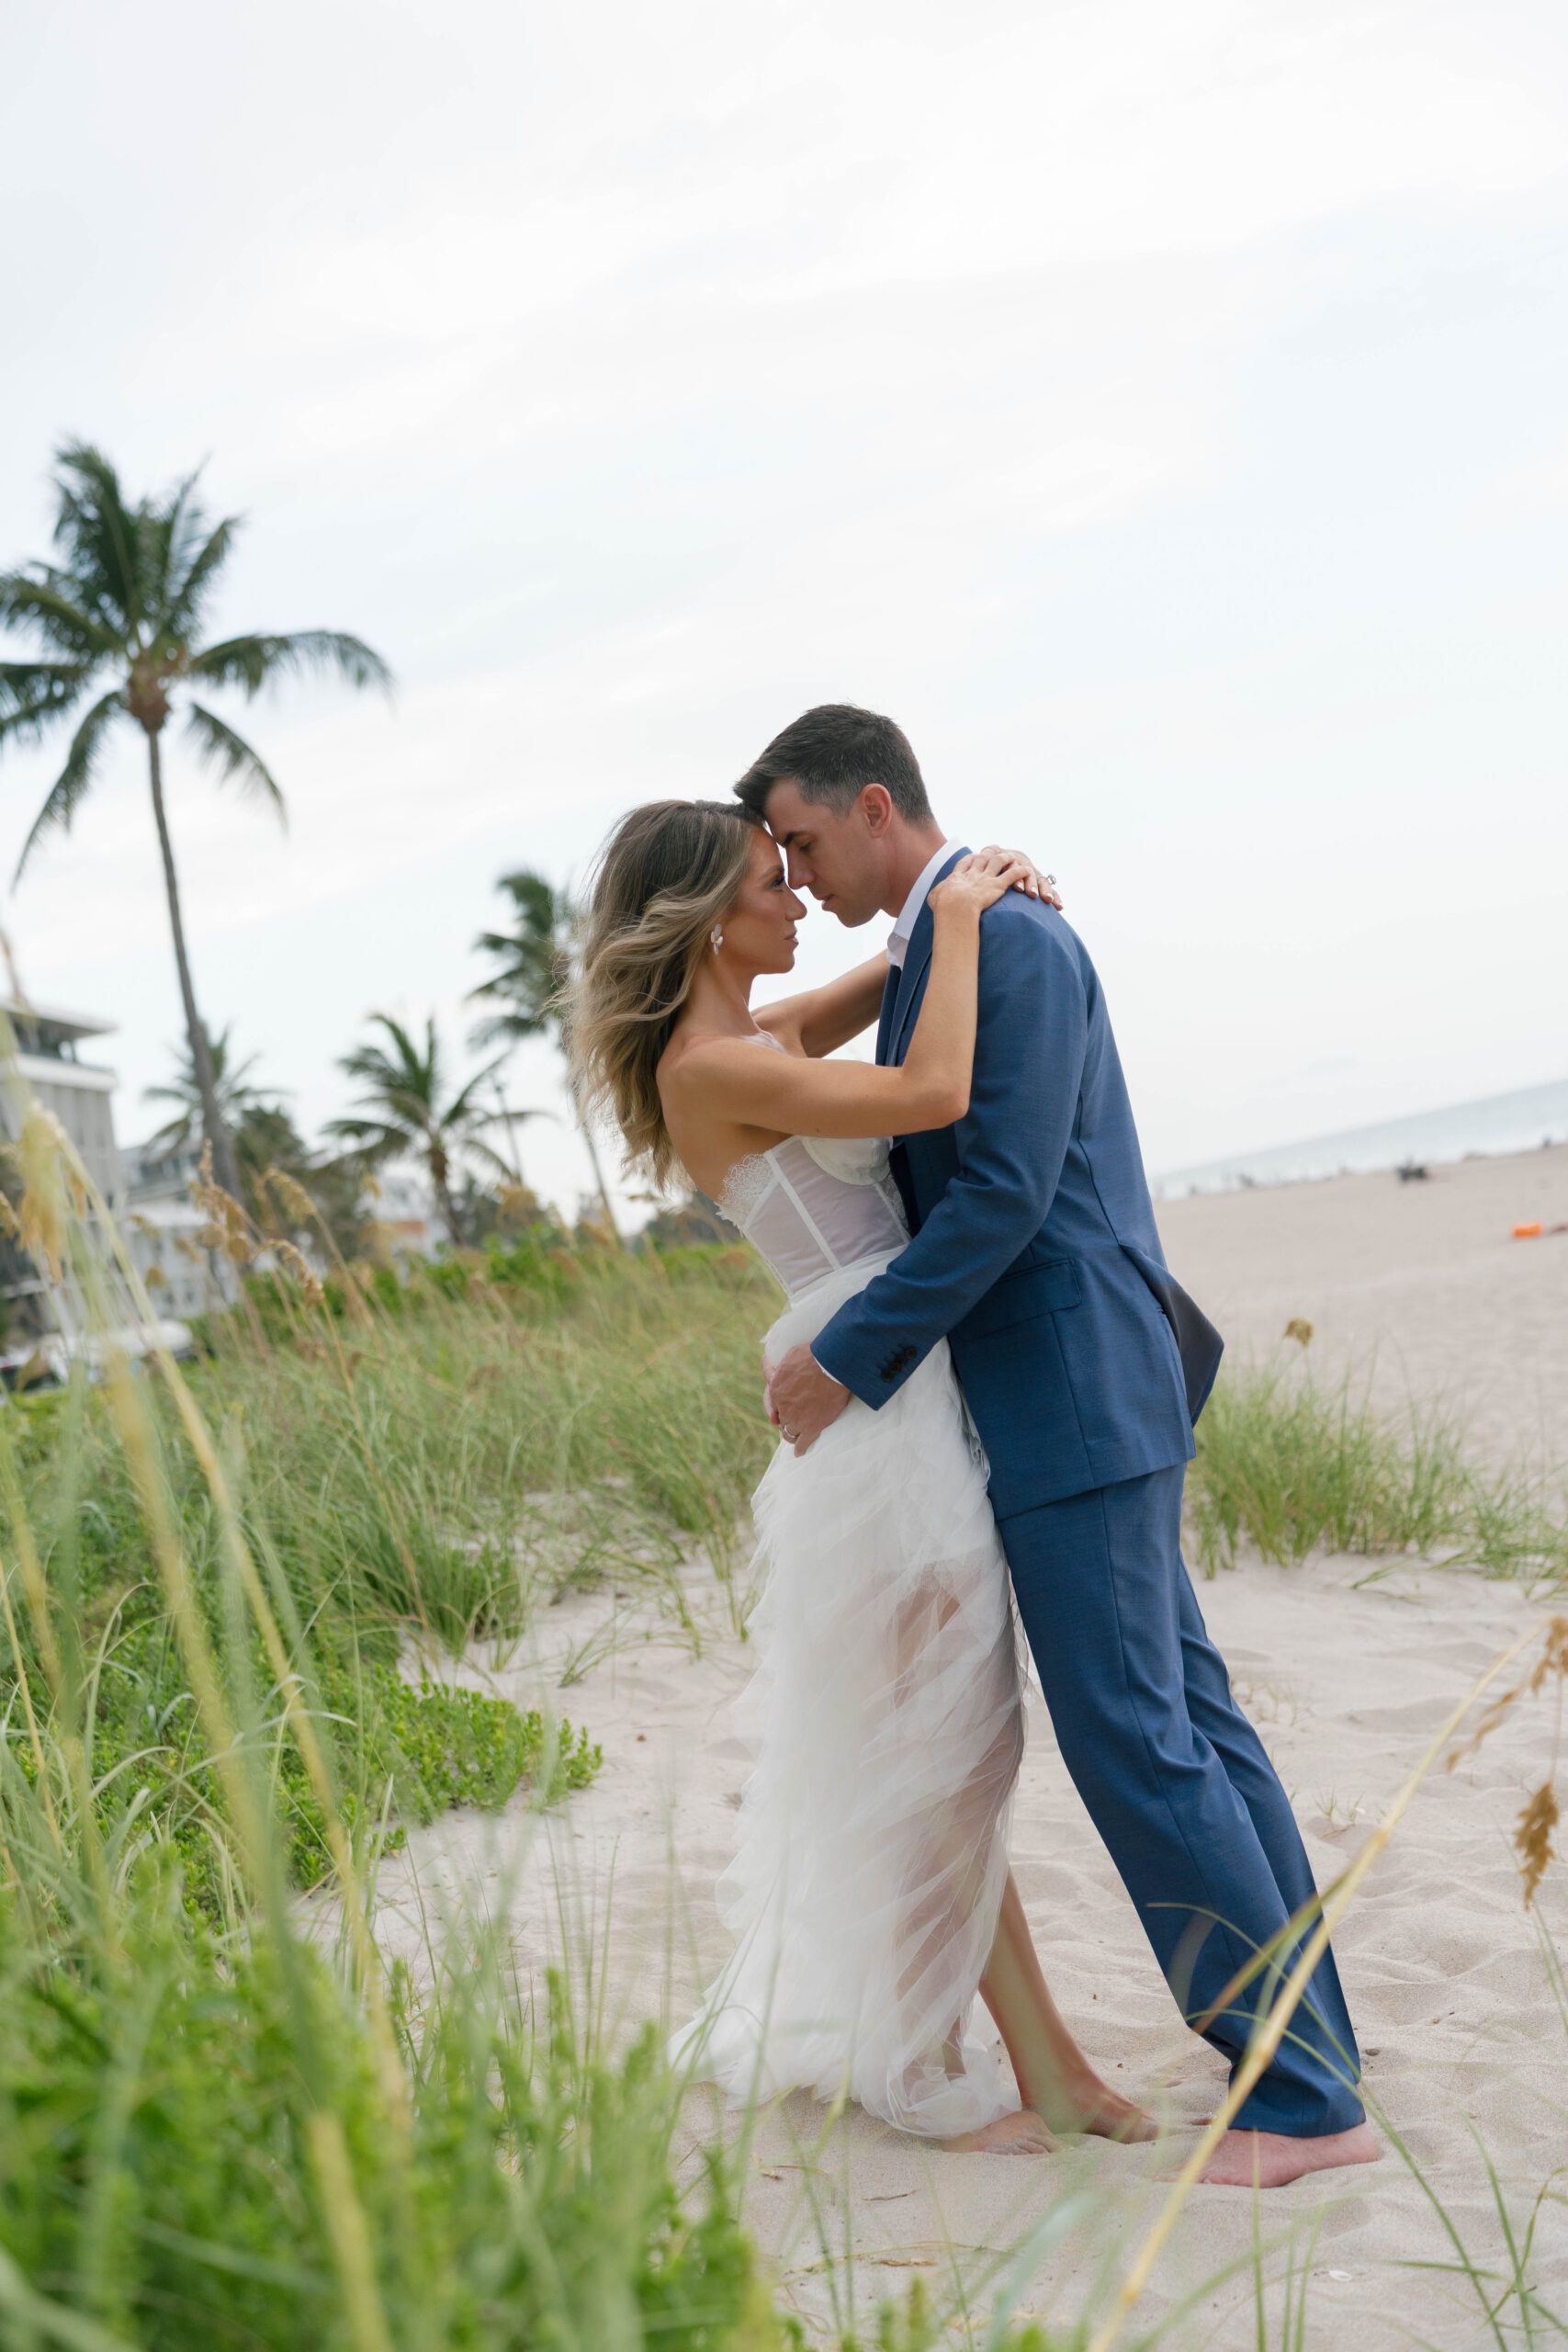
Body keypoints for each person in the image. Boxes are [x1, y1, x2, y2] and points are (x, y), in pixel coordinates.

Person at [749, 705, 1374, 2188]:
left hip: (1074, 1396)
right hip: (1081, 1389)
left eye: (806, 838)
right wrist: (921, 934)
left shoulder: (1010, 944)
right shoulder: (956, 940)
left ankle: (1298, 2104)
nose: (799, 867)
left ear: (878, 804)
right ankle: (1320, 2057)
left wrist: (847, 1353)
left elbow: (1007, 1195)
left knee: (1139, 1741)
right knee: (1194, 1724)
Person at [569, 796, 1152, 2153]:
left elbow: (890, 986)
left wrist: (966, 897)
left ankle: (984, 2046)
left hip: (899, 1384)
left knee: (953, 1745)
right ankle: (1004, 2062)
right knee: (949, 1749)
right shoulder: (711, 1069)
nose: (797, 898)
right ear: (714, 914)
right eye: (774, 882)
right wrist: (948, 910)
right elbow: (931, 1094)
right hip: (872, 1413)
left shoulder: (751, 1037)